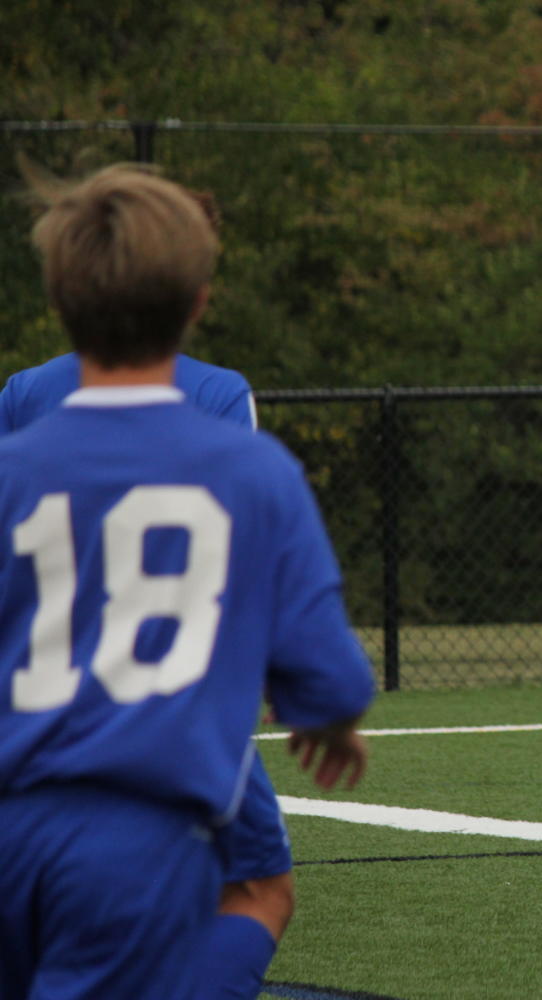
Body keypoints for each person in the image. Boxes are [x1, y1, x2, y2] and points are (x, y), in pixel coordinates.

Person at [0, 160, 376, 998]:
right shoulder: (251, 469)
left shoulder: (11, 460)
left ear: (60, 304)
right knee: (257, 894)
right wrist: (330, 717)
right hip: (130, 839)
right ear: (199, 300)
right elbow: (331, 670)